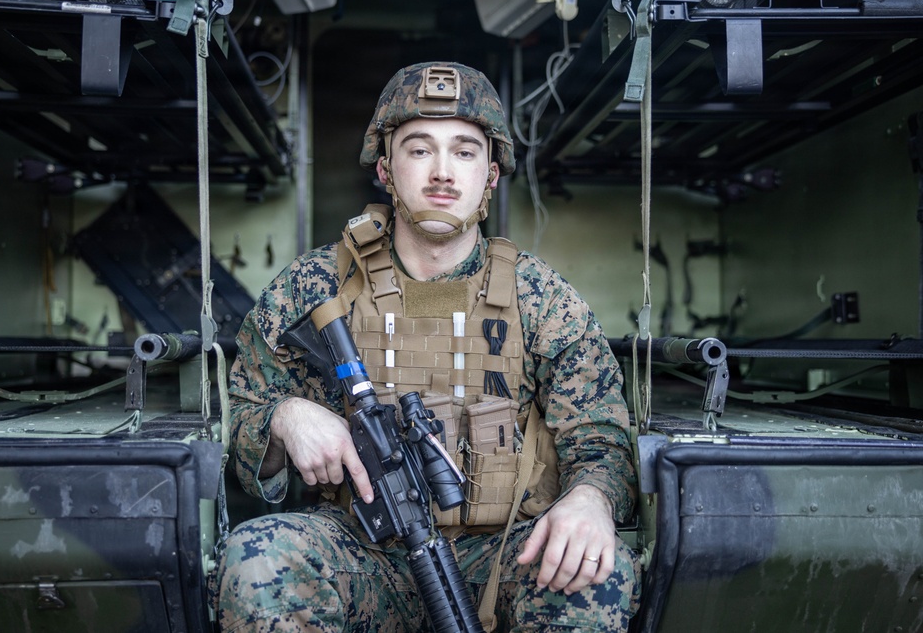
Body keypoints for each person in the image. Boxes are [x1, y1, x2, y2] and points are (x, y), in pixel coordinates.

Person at [215, 61, 640, 632]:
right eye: (419, 150)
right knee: (258, 556)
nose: (443, 172)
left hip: (506, 555)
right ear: (386, 169)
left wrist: (592, 499)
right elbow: (239, 415)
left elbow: (601, 435)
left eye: (464, 151)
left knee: (599, 569)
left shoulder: (540, 297)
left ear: (490, 176)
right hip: (362, 551)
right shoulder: (315, 286)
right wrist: (285, 419)